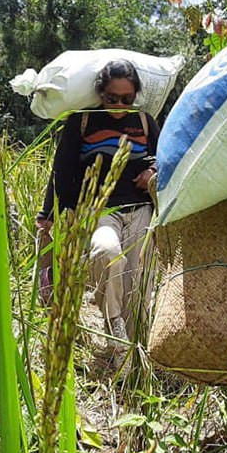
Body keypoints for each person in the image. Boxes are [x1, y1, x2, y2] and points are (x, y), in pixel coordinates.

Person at [36, 59, 161, 349]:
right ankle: (114, 327)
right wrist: (47, 214)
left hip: (140, 209)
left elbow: (165, 157)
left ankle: (134, 353)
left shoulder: (144, 122)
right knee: (106, 253)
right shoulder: (82, 122)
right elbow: (62, 171)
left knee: (137, 281)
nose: (119, 105)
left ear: (135, 96)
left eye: (126, 99)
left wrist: (152, 172)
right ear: (100, 94)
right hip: (98, 211)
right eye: (112, 98)